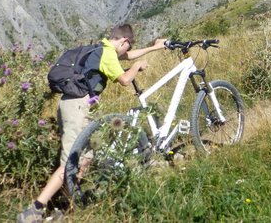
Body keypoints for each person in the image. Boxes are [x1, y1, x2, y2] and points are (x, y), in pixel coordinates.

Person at [18, 24, 167, 223]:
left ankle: (67, 204)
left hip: (74, 106)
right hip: (77, 108)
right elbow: (124, 79)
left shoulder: (102, 48)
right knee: (70, 163)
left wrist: (155, 47)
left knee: (85, 157)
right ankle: (34, 211)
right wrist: (136, 67)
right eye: (127, 46)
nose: (127, 51)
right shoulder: (107, 54)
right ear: (123, 41)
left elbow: (128, 56)